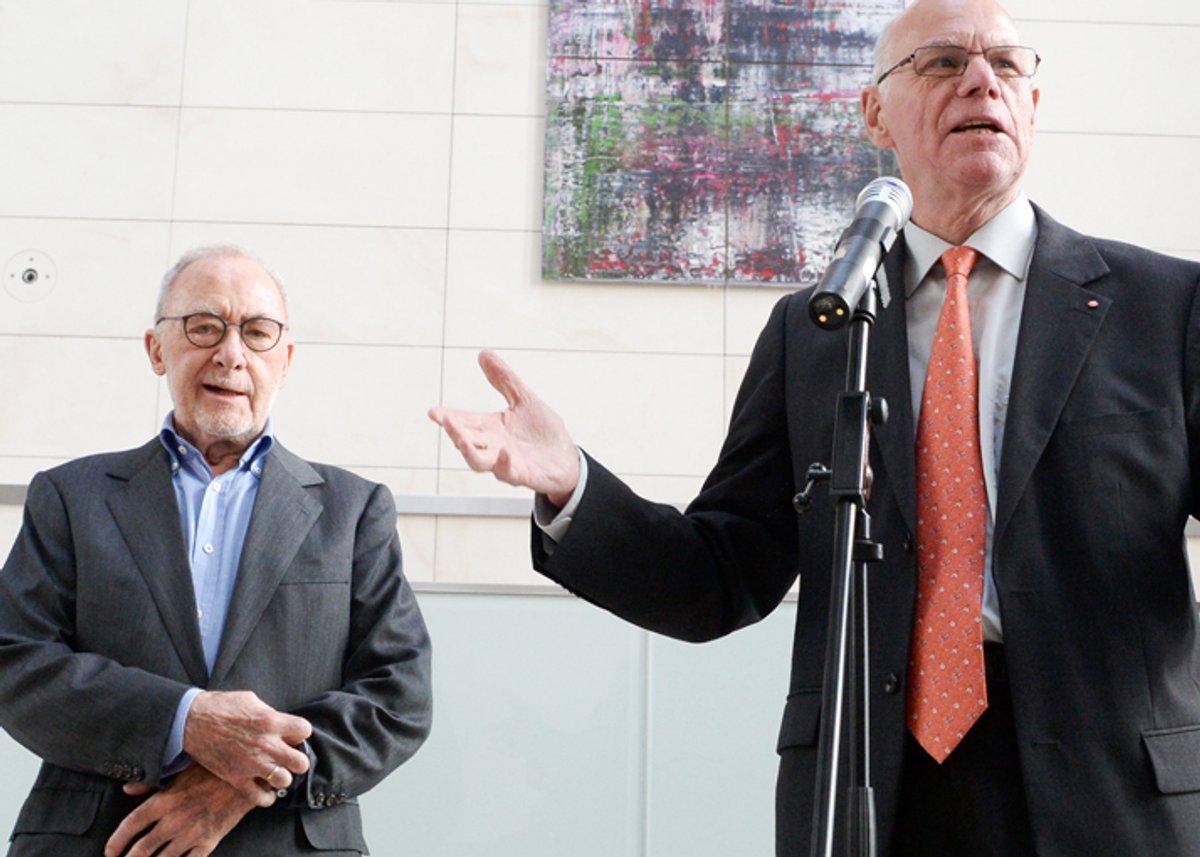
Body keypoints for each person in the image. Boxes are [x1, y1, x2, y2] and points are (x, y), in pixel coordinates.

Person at [429, 0, 1200, 853]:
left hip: (1109, 794)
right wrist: (571, 482)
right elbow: (721, 571)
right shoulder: (818, 328)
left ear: (1034, 104)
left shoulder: (1163, 308)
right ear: (875, 113)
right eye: (944, 61)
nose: (983, 79)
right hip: (873, 783)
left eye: (1009, 65)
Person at [0, 246, 432, 857]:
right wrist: (186, 721)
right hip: (101, 839)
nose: (231, 353)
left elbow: (399, 695)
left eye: (257, 333)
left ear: (284, 361)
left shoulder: (353, 510)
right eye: (205, 327)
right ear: (156, 348)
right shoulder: (70, 497)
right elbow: (14, 661)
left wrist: (246, 781)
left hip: (284, 840)